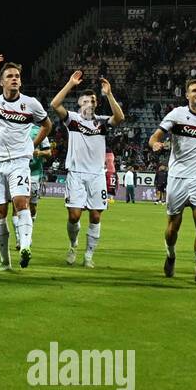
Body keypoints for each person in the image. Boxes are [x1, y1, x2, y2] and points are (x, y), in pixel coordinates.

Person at [149, 78, 196, 282]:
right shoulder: (177, 115)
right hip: (178, 178)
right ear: (187, 95)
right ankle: (170, 254)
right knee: (173, 225)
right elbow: (154, 137)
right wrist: (156, 144)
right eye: (194, 90)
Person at [0, 55, 52, 270]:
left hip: (20, 162)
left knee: (22, 203)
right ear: (2, 82)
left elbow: (47, 125)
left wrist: (31, 144)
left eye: (17, 76)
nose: (14, 79)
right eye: (9, 76)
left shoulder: (31, 104)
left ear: (21, 81)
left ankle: (26, 246)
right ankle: (4, 261)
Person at [49, 70, 125, 269]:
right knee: (74, 215)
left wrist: (108, 94)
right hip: (76, 173)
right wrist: (70, 84)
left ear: (95, 104)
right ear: (80, 104)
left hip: (97, 174)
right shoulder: (72, 119)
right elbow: (54, 105)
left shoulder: (101, 122)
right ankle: (73, 245)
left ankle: (89, 255)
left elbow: (120, 117)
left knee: (96, 215)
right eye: (85, 101)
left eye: (92, 100)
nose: (89, 103)